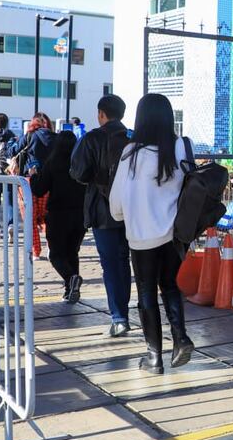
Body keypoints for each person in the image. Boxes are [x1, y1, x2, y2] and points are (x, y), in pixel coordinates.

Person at [109, 93, 195, 374]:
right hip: (175, 234)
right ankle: (180, 339)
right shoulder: (180, 146)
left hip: (141, 235)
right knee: (170, 285)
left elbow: (116, 204)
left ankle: (153, 357)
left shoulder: (130, 153)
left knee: (146, 291)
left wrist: (123, 215)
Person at [70, 95, 133, 337]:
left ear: (101, 114)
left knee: (110, 263)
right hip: (131, 209)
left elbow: (78, 172)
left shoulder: (92, 138)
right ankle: (124, 312)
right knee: (124, 260)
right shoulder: (132, 137)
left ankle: (119, 317)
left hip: (102, 210)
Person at [30, 131, 87, 304]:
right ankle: (71, 290)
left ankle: (70, 279)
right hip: (80, 215)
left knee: (55, 254)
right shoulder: (81, 163)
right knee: (72, 253)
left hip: (58, 214)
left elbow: (39, 189)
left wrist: (33, 175)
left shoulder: (53, 163)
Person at [11, 113, 55, 260]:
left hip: (28, 181)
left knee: (29, 217)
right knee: (47, 216)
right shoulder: (55, 138)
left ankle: (35, 251)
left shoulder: (29, 136)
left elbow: (12, 151)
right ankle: (52, 246)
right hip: (48, 182)